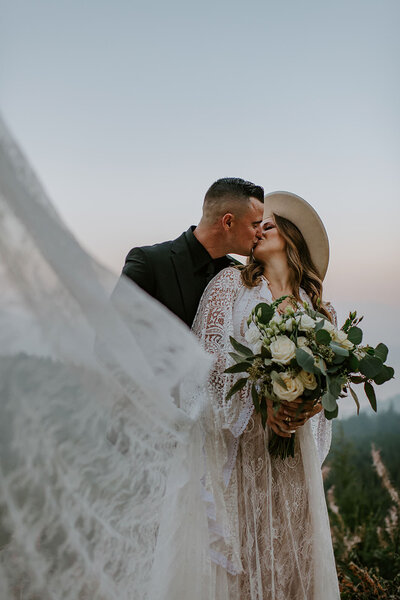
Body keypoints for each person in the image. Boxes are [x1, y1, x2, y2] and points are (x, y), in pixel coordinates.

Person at [191, 191, 340, 599]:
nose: (257, 231)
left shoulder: (320, 313)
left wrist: (301, 407)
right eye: (256, 226)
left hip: (295, 457)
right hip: (243, 451)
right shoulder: (230, 286)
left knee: (296, 566)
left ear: (290, 239)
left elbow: (327, 392)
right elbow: (209, 365)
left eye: (267, 225)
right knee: (245, 563)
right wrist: (263, 400)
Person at [119, 177, 264, 327]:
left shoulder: (240, 276)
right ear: (228, 222)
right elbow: (110, 337)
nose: (260, 233)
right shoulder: (148, 262)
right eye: (255, 225)